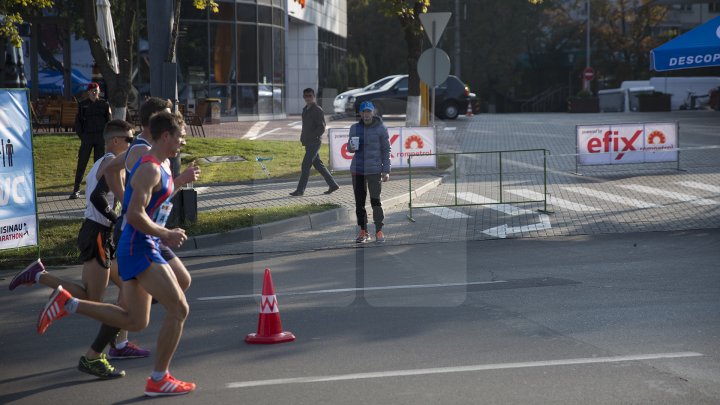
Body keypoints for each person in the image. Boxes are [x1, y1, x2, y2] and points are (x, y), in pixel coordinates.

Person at [37, 111, 197, 397]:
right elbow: (134, 215)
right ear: (165, 136)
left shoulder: (161, 166)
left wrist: (176, 190)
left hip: (141, 244)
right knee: (179, 308)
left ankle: (68, 303)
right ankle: (159, 379)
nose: (182, 143)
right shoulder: (148, 167)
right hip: (140, 245)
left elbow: (149, 209)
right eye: (180, 137)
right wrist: (166, 234)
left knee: (136, 320)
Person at [9, 119, 146, 379]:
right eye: (129, 140)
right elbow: (97, 198)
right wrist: (119, 221)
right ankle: (40, 275)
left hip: (101, 233)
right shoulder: (108, 162)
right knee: (94, 299)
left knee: (129, 285)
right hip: (97, 233)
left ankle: (120, 344)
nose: (132, 145)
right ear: (116, 141)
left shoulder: (111, 162)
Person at [346, 101, 391, 243]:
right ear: (360, 113)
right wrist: (351, 147)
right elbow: (349, 148)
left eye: (368, 111)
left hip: (375, 170)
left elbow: (386, 150)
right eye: (364, 112)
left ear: (373, 112)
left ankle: (379, 231)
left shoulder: (381, 128)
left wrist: (386, 170)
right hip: (358, 170)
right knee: (359, 203)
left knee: (375, 201)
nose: (366, 114)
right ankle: (363, 231)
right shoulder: (354, 128)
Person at [290, 88, 339, 196]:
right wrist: (303, 137)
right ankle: (333, 184)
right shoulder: (305, 109)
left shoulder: (317, 109)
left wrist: (312, 137)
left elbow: (321, 127)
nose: (308, 98)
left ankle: (300, 190)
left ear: (314, 96)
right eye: (306, 96)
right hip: (308, 142)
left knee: (305, 165)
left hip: (314, 142)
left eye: (310, 96)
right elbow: (306, 127)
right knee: (318, 165)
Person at [71, 82, 111, 199]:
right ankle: (76, 189)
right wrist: (82, 136)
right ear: (88, 92)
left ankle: (98, 189)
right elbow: (78, 122)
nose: (94, 93)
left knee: (99, 164)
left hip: (100, 137)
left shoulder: (104, 104)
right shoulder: (83, 104)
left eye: (96, 91)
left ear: (99, 92)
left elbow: (109, 121)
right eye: (92, 91)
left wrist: (106, 136)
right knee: (82, 163)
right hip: (87, 137)